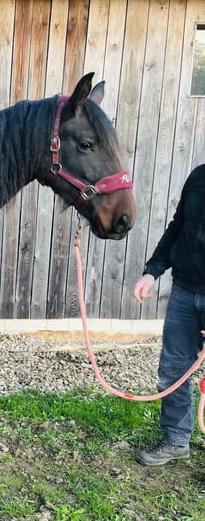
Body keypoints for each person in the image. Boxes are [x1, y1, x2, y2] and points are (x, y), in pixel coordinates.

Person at [133, 163, 205, 466]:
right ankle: (176, 440)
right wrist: (152, 271)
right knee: (173, 371)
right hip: (185, 291)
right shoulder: (199, 176)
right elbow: (178, 226)